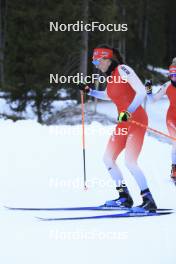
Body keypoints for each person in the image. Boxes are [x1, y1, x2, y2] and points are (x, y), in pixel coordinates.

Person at [78, 44, 157, 211]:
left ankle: (149, 200)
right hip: (123, 122)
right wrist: (90, 91)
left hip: (136, 120)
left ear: (107, 59)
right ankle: (124, 197)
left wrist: (128, 112)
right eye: (94, 62)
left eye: (98, 61)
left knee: (130, 162)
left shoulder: (123, 69)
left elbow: (142, 91)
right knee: (108, 158)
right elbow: (109, 95)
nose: (97, 65)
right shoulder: (111, 76)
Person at [146, 58, 176, 184]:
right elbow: (152, 100)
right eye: (172, 75)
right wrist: (148, 91)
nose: (174, 78)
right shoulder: (167, 86)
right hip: (172, 119)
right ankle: (174, 169)